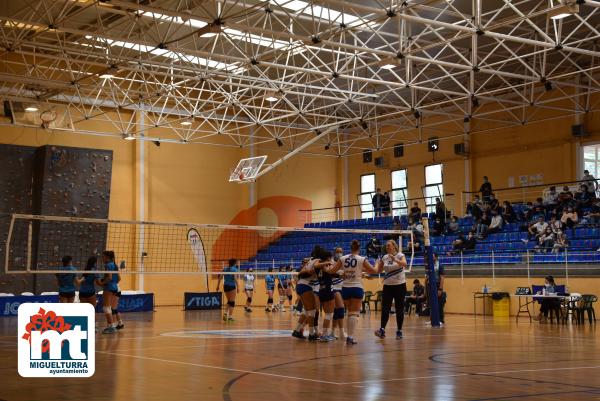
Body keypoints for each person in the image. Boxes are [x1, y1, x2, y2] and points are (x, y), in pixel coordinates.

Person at [329, 240, 377, 345]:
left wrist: (341, 272)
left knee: (349, 313)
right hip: (357, 287)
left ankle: (346, 334)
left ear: (350, 247)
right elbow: (373, 271)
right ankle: (350, 337)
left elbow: (331, 271)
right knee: (353, 314)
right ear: (359, 248)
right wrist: (378, 265)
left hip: (345, 288)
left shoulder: (342, 258)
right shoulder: (362, 259)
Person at [292, 248, 331, 341]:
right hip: (306, 286)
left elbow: (301, 272)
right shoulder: (317, 261)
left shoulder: (310, 260)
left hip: (301, 285)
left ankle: (297, 331)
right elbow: (311, 270)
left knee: (306, 311)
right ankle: (311, 334)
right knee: (312, 311)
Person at [374, 240, 410, 339]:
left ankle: (399, 331)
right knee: (385, 308)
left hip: (400, 285)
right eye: (386, 246)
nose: (387, 247)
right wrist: (374, 266)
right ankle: (382, 330)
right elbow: (379, 270)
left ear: (394, 246)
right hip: (388, 286)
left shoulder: (400, 255)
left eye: (389, 246)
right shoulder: (384, 257)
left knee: (399, 309)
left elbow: (404, 264)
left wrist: (395, 259)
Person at [316, 249, 336, 341]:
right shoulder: (325, 265)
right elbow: (330, 271)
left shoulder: (319, 265)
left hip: (321, 289)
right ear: (328, 258)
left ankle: (325, 334)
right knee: (329, 313)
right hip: (328, 289)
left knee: (328, 313)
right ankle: (324, 335)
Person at [99, 250, 120, 334]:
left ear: (107, 257)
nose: (102, 258)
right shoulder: (115, 265)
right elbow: (118, 278)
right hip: (114, 288)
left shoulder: (108, 265)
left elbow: (110, 277)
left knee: (106, 307)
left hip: (109, 287)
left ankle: (111, 326)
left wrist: (102, 283)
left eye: (103, 257)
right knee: (109, 307)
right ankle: (111, 325)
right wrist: (113, 284)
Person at [332, 247, 346, 339]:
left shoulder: (344, 262)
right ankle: (341, 331)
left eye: (340, 252)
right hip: (334, 287)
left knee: (337, 311)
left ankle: (333, 332)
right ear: (334, 253)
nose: (339, 253)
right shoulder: (331, 262)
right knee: (340, 308)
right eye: (337, 252)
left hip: (343, 287)